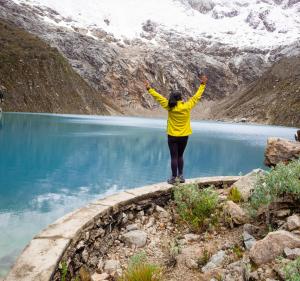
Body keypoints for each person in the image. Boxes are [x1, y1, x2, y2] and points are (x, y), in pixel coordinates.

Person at [144, 75, 208, 184]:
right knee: (180, 156)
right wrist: (202, 84)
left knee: (173, 157)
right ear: (181, 98)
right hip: (184, 136)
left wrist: (149, 89)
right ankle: (181, 176)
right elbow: (197, 96)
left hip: (172, 136)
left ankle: (173, 178)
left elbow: (158, 97)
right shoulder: (187, 106)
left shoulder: (169, 106)